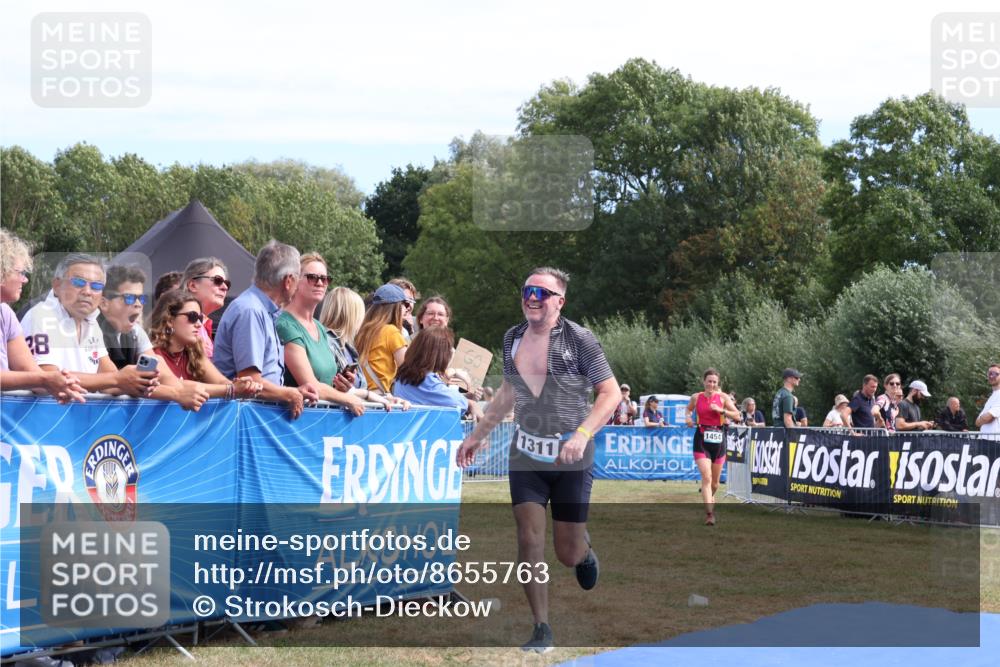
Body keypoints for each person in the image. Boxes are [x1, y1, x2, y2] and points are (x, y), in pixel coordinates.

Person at [456, 267, 618, 654]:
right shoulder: (512, 337)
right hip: (526, 453)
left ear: (559, 302)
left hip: (570, 457)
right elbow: (510, 391)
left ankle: (583, 548)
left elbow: (610, 394)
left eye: (542, 293)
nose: (532, 297)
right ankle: (541, 626)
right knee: (528, 539)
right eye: (528, 290)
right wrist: (478, 436)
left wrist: (582, 435)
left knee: (566, 552)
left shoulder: (580, 339)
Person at [20, 253, 160, 398]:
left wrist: (138, 383)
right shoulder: (41, 316)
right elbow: (48, 380)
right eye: (78, 283)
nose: (87, 291)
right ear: (57, 285)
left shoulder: (91, 322)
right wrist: (119, 379)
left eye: (96, 286)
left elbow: (110, 382)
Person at [213, 240, 319, 419]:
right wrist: (289, 394)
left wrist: (293, 391)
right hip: (243, 420)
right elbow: (250, 381)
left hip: (253, 418)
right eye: (298, 278)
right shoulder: (251, 311)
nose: (297, 286)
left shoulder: (261, 310)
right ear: (288, 281)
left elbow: (263, 380)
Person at [276, 253, 366, 416]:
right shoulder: (285, 325)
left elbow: (325, 383)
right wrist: (347, 399)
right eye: (312, 277)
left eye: (325, 279)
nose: (319, 283)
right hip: (296, 421)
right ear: (294, 281)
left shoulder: (319, 327)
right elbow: (311, 386)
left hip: (323, 419)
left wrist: (341, 387)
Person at [0, 229, 84, 402]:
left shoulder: (6, 313)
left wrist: (63, 384)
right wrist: (45, 380)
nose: (25, 280)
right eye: (21, 273)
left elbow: (30, 371)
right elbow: (38, 378)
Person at [148, 290, 261, 399]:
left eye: (200, 318)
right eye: (192, 317)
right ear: (170, 320)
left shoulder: (194, 352)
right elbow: (178, 386)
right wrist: (232, 389)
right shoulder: (151, 353)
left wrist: (243, 385)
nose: (198, 324)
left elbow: (221, 382)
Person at [319, 286, 405, 411]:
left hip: (357, 407)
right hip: (337, 415)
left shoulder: (349, 343)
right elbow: (407, 368)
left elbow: (352, 388)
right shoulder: (329, 342)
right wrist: (370, 395)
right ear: (350, 315)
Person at [685, 368, 741, 526]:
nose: (711, 384)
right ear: (704, 381)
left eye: (714, 382)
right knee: (706, 477)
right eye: (709, 381)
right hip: (702, 439)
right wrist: (688, 418)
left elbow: (737, 415)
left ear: (718, 384)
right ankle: (710, 514)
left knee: (715, 483)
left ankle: (709, 497)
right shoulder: (696, 397)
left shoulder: (722, 398)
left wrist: (721, 410)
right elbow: (688, 410)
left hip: (719, 440)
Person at [392, 327, 483, 420]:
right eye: (449, 350)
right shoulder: (427, 380)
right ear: (441, 354)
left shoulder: (406, 374)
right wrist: (471, 403)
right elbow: (456, 402)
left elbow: (437, 395)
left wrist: (466, 397)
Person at [356, 284, 409, 394]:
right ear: (396, 307)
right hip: (378, 399)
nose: (407, 309)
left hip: (361, 395)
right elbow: (407, 370)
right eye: (405, 304)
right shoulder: (391, 331)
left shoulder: (361, 331)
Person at [97, 265, 152, 369]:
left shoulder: (136, 330)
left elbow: (157, 368)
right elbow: (111, 379)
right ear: (104, 303)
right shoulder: (91, 332)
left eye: (142, 298)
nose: (138, 304)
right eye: (129, 298)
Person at [181, 257, 230, 359]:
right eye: (218, 280)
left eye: (227, 283)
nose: (224, 287)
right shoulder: (181, 322)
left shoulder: (203, 324)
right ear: (193, 285)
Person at [975, 363, 1000, 433]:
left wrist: (984, 418)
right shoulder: (992, 396)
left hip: (995, 441)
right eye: (989, 373)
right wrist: (984, 418)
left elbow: (987, 418)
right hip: (985, 439)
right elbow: (977, 422)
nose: (992, 376)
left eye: (996, 374)